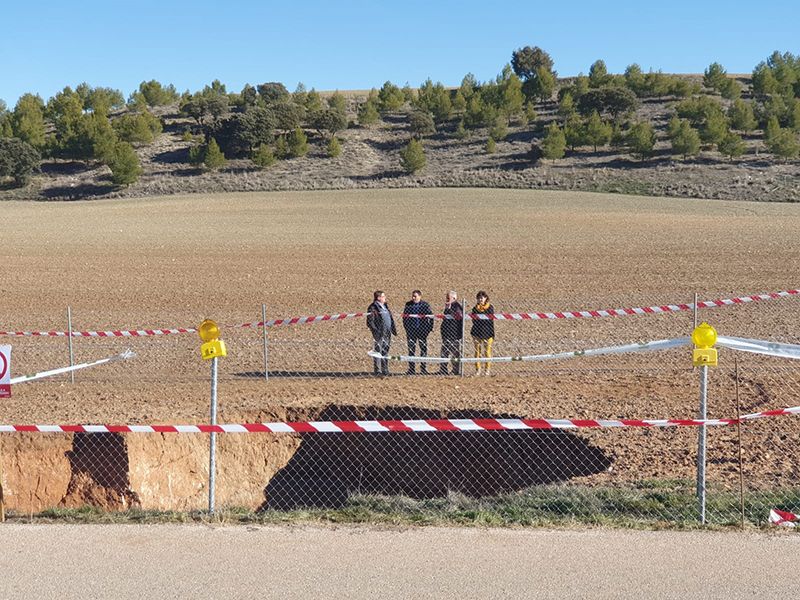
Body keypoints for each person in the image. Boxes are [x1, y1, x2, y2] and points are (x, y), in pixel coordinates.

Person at [402, 290, 433, 375]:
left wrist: (429, 329)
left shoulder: (425, 305)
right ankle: (411, 369)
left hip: (422, 331)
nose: (413, 298)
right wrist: (407, 328)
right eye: (412, 296)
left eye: (415, 296)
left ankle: (423, 369)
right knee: (411, 350)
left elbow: (431, 317)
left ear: (420, 296)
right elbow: (405, 317)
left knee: (423, 349)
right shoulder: (408, 305)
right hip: (411, 331)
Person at [366, 290, 396, 376]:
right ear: (378, 298)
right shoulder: (373, 307)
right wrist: (375, 330)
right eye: (383, 296)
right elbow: (370, 321)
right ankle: (377, 370)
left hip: (387, 331)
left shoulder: (385, 306)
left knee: (385, 350)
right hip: (379, 332)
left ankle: (385, 370)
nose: (385, 298)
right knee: (378, 351)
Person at [470, 291, 495, 376]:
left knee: (487, 352)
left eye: (482, 297)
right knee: (477, 352)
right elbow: (474, 320)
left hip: (488, 333)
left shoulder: (490, 308)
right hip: (476, 333)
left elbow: (488, 319)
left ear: (486, 298)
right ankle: (478, 370)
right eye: (479, 298)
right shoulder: (475, 308)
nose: (481, 299)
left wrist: (480, 317)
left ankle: (487, 370)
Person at [439, 290, 463, 375]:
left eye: (448, 297)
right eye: (446, 297)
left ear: (454, 298)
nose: (446, 299)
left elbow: (457, 316)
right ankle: (443, 369)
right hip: (446, 334)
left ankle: (455, 370)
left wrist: (448, 310)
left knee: (454, 353)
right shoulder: (448, 306)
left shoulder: (457, 306)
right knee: (444, 353)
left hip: (454, 334)